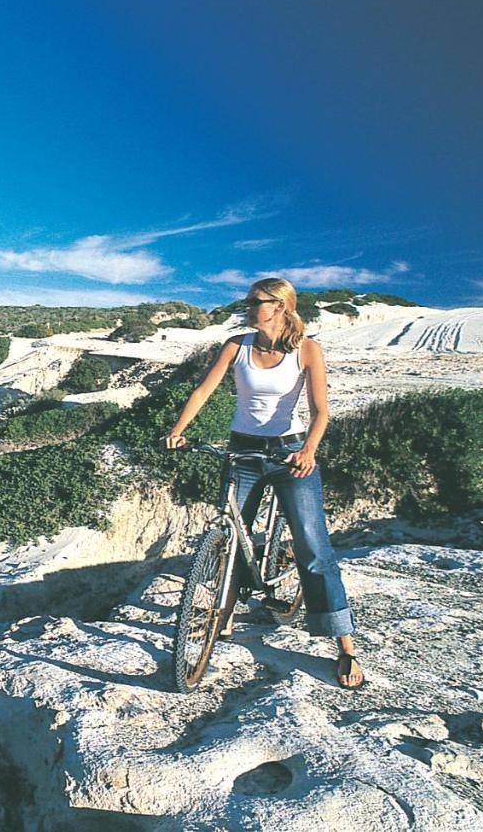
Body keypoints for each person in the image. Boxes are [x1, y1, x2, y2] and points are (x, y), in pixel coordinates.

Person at [164, 277, 364, 689]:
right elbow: (204, 391)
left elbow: (321, 410)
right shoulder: (238, 346)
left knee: (313, 546)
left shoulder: (307, 351)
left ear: (280, 306)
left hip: (289, 452)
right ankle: (225, 612)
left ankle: (345, 646)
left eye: (257, 300)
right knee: (232, 537)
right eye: (249, 299)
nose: (248, 305)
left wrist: (308, 450)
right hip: (243, 449)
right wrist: (178, 429)